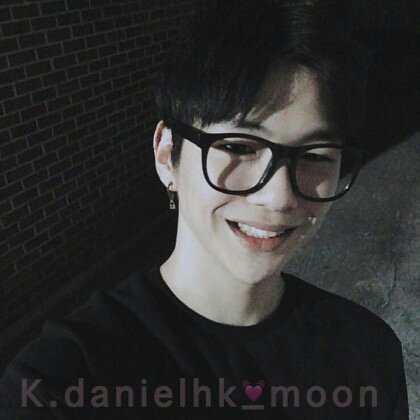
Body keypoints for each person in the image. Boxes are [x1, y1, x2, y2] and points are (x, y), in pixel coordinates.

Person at [0, 1, 409, 418]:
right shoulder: (65, 380)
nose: (279, 197)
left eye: (315, 155)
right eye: (238, 147)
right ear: (167, 155)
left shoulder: (366, 355)